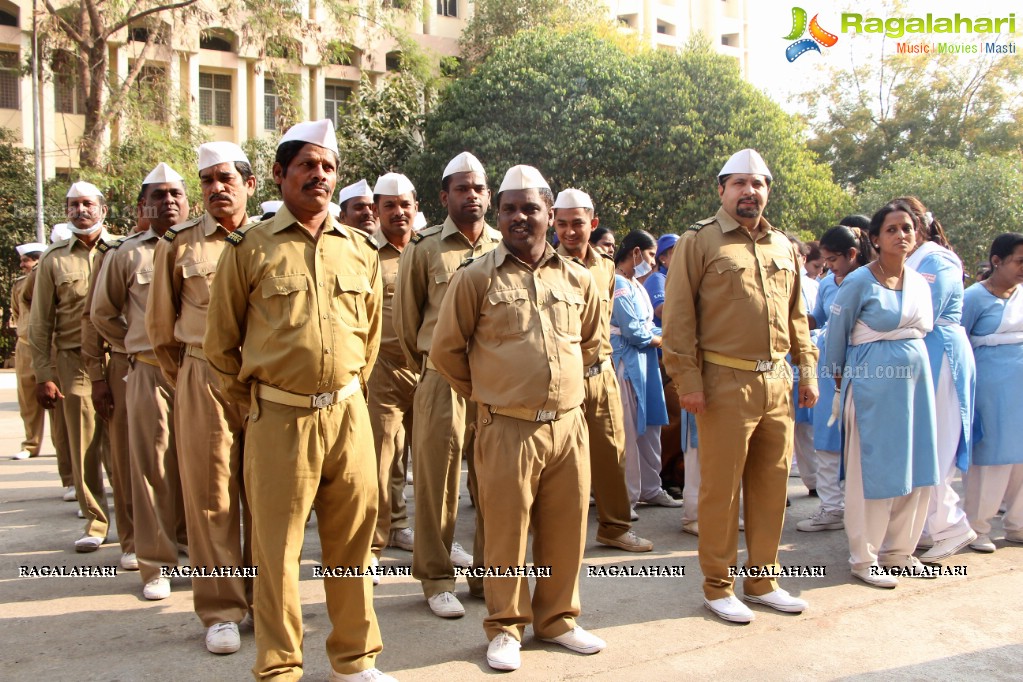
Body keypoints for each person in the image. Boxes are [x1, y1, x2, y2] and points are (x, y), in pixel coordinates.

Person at [204, 119, 392, 682]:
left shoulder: (360, 248)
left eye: (328, 167)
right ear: (281, 175)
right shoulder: (249, 248)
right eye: (307, 165)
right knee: (278, 553)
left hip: (349, 416)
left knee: (353, 547)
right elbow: (220, 349)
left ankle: (355, 660)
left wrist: (344, 388)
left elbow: (372, 337)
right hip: (279, 419)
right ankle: (281, 666)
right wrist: (264, 405)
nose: (319, 175)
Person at [431, 164, 605, 672]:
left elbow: (592, 342)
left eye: (530, 208)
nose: (519, 217)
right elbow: (446, 351)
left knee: (566, 528)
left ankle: (558, 619)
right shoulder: (476, 276)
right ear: (499, 214)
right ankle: (505, 626)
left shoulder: (578, 277)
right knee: (507, 530)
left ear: (549, 214)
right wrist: (489, 393)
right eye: (509, 208)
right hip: (506, 426)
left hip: (568, 426)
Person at [662, 149, 818, 623]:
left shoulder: (783, 247)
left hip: (776, 379)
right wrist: (687, 381)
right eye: (740, 184)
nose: (751, 192)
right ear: (722, 190)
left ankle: (763, 579)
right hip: (723, 380)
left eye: (760, 184)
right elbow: (678, 318)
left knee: (774, 486)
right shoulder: (700, 241)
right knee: (721, 490)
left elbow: (796, 315)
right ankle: (717, 584)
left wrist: (806, 368)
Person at [146, 142, 253, 650]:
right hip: (203, 376)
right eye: (207, 180)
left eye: (225, 178)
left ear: (250, 184)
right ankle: (221, 610)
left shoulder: (270, 240)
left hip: (264, 381)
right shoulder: (180, 243)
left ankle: (267, 599)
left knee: (270, 496)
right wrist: (189, 375)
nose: (216, 188)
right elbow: (159, 329)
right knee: (211, 496)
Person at [393, 151, 496, 618]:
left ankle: (488, 576)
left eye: (478, 188)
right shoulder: (425, 246)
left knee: (495, 483)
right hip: (441, 379)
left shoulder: (504, 244)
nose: (470, 196)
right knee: (436, 480)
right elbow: (407, 319)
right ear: (443, 196)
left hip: (497, 381)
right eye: (461, 188)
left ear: (489, 196)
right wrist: (432, 366)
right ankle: (436, 578)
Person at [826, 200, 939, 588]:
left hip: (915, 385)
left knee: (916, 464)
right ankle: (865, 557)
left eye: (907, 228)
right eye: (891, 229)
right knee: (871, 470)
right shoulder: (859, 281)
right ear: (875, 238)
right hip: (873, 385)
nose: (901, 235)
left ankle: (899, 552)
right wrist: (839, 383)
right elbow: (835, 339)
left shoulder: (921, 282)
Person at [91, 162, 190, 593]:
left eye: (175, 194)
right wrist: (137, 342)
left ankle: (194, 550)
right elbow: (101, 313)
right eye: (158, 196)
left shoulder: (208, 245)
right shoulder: (126, 253)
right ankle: (156, 565)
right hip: (151, 371)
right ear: (143, 205)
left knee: (206, 469)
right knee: (153, 469)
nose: (168, 202)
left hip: (203, 369)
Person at [552, 188, 653, 552]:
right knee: (562, 460)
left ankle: (614, 528)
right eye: (561, 223)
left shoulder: (606, 267)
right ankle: (559, 532)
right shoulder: (546, 265)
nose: (569, 231)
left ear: (591, 223)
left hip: (602, 372)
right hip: (563, 377)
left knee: (613, 454)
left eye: (577, 223)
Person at [29, 181, 111, 553]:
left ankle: (135, 525)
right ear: (66, 212)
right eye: (73, 205)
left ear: (102, 209)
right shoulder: (53, 259)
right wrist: (44, 374)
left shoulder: (121, 249)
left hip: (118, 358)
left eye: (87, 204)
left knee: (128, 446)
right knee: (85, 447)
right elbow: (40, 323)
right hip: (73, 361)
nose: (80, 210)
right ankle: (96, 521)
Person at [898, 197, 978, 562]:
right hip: (923, 352)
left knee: (938, 444)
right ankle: (929, 527)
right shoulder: (916, 258)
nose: (899, 234)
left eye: (905, 226)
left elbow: (924, 307)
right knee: (922, 443)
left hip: (942, 353)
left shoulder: (938, 259)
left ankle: (953, 525)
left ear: (920, 224)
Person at [797, 224, 874, 533]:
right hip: (829, 368)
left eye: (832, 259)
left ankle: (866, 510)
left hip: (865, 366)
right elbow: (819, 316)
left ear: (852, 254)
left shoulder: (873, 280)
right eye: (825, 260)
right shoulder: (829, 283)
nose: (827, 266)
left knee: (862, 439)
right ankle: (831, 507)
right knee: (826, 437)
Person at [368, 172, 418, 566]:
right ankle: (374, 543)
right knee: (382, 458)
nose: (398, 212)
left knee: (437, 461)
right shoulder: (365, 252)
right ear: (375, 210)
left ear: (415, 207)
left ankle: (422, 534)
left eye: (405, 205)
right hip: (382, 369)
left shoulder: (427, 249)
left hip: (432, 369)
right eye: (389, 205)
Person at [961, 233, 1023, 551]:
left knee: (1020, 460)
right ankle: (978, 526)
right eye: (1019, 261)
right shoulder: (973, 298)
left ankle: (1018, 524)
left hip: (1020, 390)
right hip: (989, 390)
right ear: (996, 261)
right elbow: (960, 343)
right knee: (991, 459)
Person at [611, 230, 677, 514]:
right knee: (628, 430)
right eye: (650, 255)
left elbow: (648, 327)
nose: (653, 263)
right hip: (627, 364)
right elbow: (634, 331)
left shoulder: (636, 285)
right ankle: (626, 496)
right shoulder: (617, 284)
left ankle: (651, 488)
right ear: (636, 253)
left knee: (650, 429)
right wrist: (667, 339)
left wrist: (663, 335)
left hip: (646, 362)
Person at [10, 242, 47, 460]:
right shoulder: (19, 285)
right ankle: (30, 444)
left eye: (27, 260)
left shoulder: (49, 279)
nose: (23, 265)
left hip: (51, 345)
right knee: (27, 398)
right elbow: (17, 312)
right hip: (25, 345)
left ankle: (66, 448)